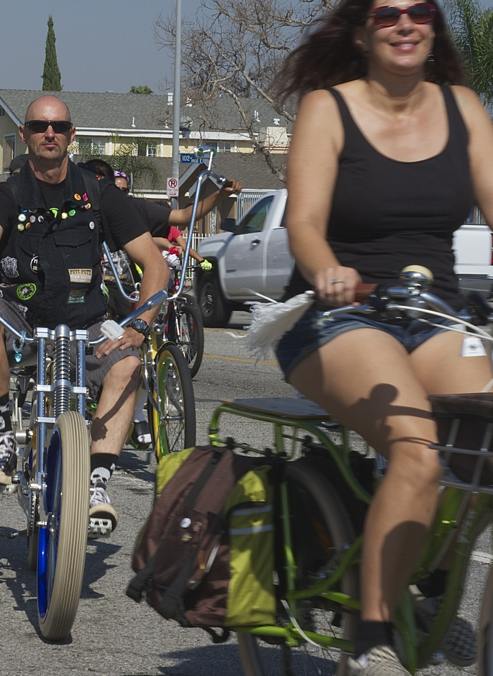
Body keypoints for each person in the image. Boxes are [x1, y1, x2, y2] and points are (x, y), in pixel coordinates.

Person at [270, 1, 492, 672]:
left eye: (419, 10)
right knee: (418, 448)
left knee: (483, 443)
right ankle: (374, 633)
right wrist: (327, 270)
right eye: (387, 12)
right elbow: (304, 224)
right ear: (363, 32)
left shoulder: (462, 108)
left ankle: (428, 582)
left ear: (434, 27)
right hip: (341, 313)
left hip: (435, 312)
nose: (405, 23)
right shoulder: (328, 109)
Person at [0, 95, 169, 539]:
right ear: (23, 134)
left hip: (86, 322)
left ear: (71, 135)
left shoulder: (99, 194)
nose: (50, 133)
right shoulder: (6, 194)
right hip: (19, 315)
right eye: (41, 126)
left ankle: (97, 483)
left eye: (59, 126)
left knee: (128, 366)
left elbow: (154, 264)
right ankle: (3, 438)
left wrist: (141, 324)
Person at [81, 158, 243, 244]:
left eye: (122, 191)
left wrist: (220, 194)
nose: (116, 196)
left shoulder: (133, 207)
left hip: (126, 286)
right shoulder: (74, 209)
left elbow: (184, 216)